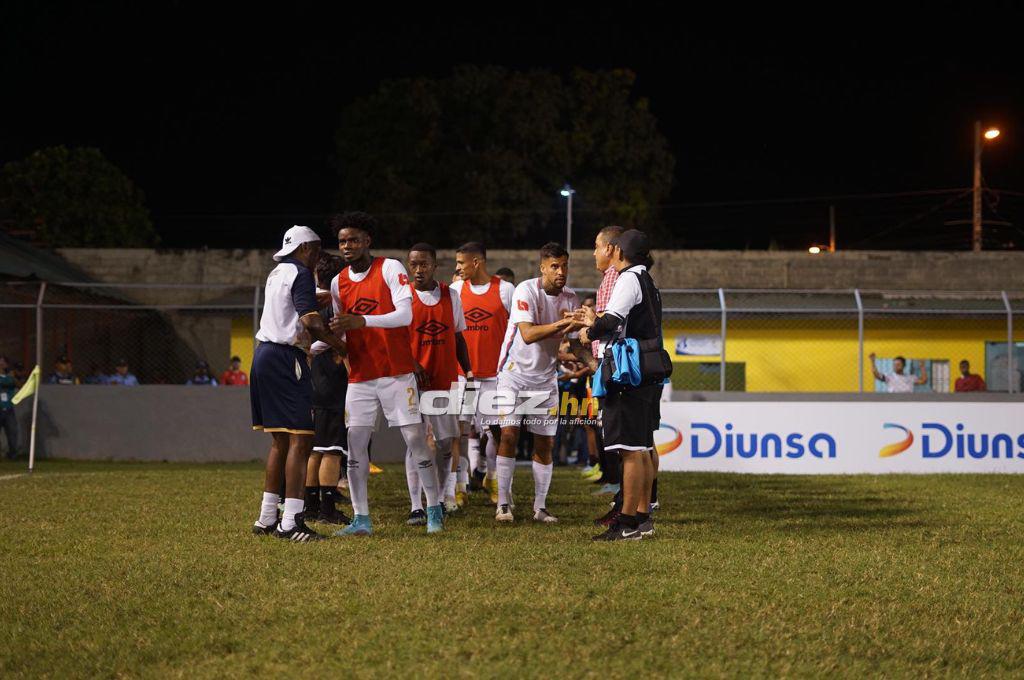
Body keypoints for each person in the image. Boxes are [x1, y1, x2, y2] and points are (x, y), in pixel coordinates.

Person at [328, 212, 445, 536]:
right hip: (361, 377)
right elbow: (342, 327)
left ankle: (433, 508)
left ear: (367, 241)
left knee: (415, 440)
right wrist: (325, 345)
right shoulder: (339, 282)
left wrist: (363, 321)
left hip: (396, 373)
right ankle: (361, 518)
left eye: (353, 240)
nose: (347, 246)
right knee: (355, 445)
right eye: (341, 242)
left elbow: (405, 315)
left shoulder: (389, 268)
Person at [250, 225, 347, 543]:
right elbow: (308, 320)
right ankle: (291, 521)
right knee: (301, 441)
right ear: (305, 248)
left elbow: (293, 308)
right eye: (317, 250)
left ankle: (267, 518)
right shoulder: (302, 273)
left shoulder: (277, 272)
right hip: (285, 359)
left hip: (263, 355)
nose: (318, 257)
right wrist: (340, 344)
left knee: (280, 441)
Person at [578, 229, 662, 541]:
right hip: (646, 370)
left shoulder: (628, 278)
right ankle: (641, 517)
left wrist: (590, 329)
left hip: (627, 371)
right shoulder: (647, 279)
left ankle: (626, 522)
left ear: (619, 251)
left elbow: (612, 320)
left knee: (629, 449)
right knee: (640, 447)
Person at [492, 242, 581, 523]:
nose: (561, 271)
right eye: (554, 266)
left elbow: (576, 344)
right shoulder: (525, 290)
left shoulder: (571, 298)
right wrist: (562, 325)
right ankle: (503, 504)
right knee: (508, 435)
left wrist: (592, 363)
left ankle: (539, 508)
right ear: (542, 267)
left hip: (545, 380)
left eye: (565, 265)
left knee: (545, 443)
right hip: (513, 375)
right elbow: (528, 334)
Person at [404, 243, 473, 522]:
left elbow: (458, 337)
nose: (418, 270)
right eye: (413, 264)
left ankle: (442, 496)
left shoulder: (450, 295)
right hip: (410, 382)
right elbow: (392, 341)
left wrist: (468, 373)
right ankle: (416, 506)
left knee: (446, 443)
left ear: (434, 265)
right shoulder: (402, 296)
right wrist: (411, 364)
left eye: (423, 264)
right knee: (415, 443)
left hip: (443, 380)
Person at [451, 242, 515, 503]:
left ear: (476, 262)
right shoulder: (456, 289)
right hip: (462, 376)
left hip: (495, 377)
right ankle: (459, 486)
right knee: (458, 433)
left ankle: (496, 481)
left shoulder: (506, 290)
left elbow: (517, 331)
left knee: (498, 433)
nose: (457, 268)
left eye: (461, 263)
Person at [305, 252, 351, 526]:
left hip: (314, 376)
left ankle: (310, 505)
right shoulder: (334, 305)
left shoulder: (311, 302)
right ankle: (327, 508)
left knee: (316, 448)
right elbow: (340, 345)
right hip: (330, 378)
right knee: (332, 449)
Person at [0, 356, 19, 459]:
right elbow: (6, 382)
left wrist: (12, 378)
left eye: (3, 362)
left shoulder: (10, 377)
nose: (2, 364)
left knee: (12, 432)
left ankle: (12, 454)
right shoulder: (8, 378)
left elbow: (18, 384)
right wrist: (9, 379)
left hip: (8, 408)